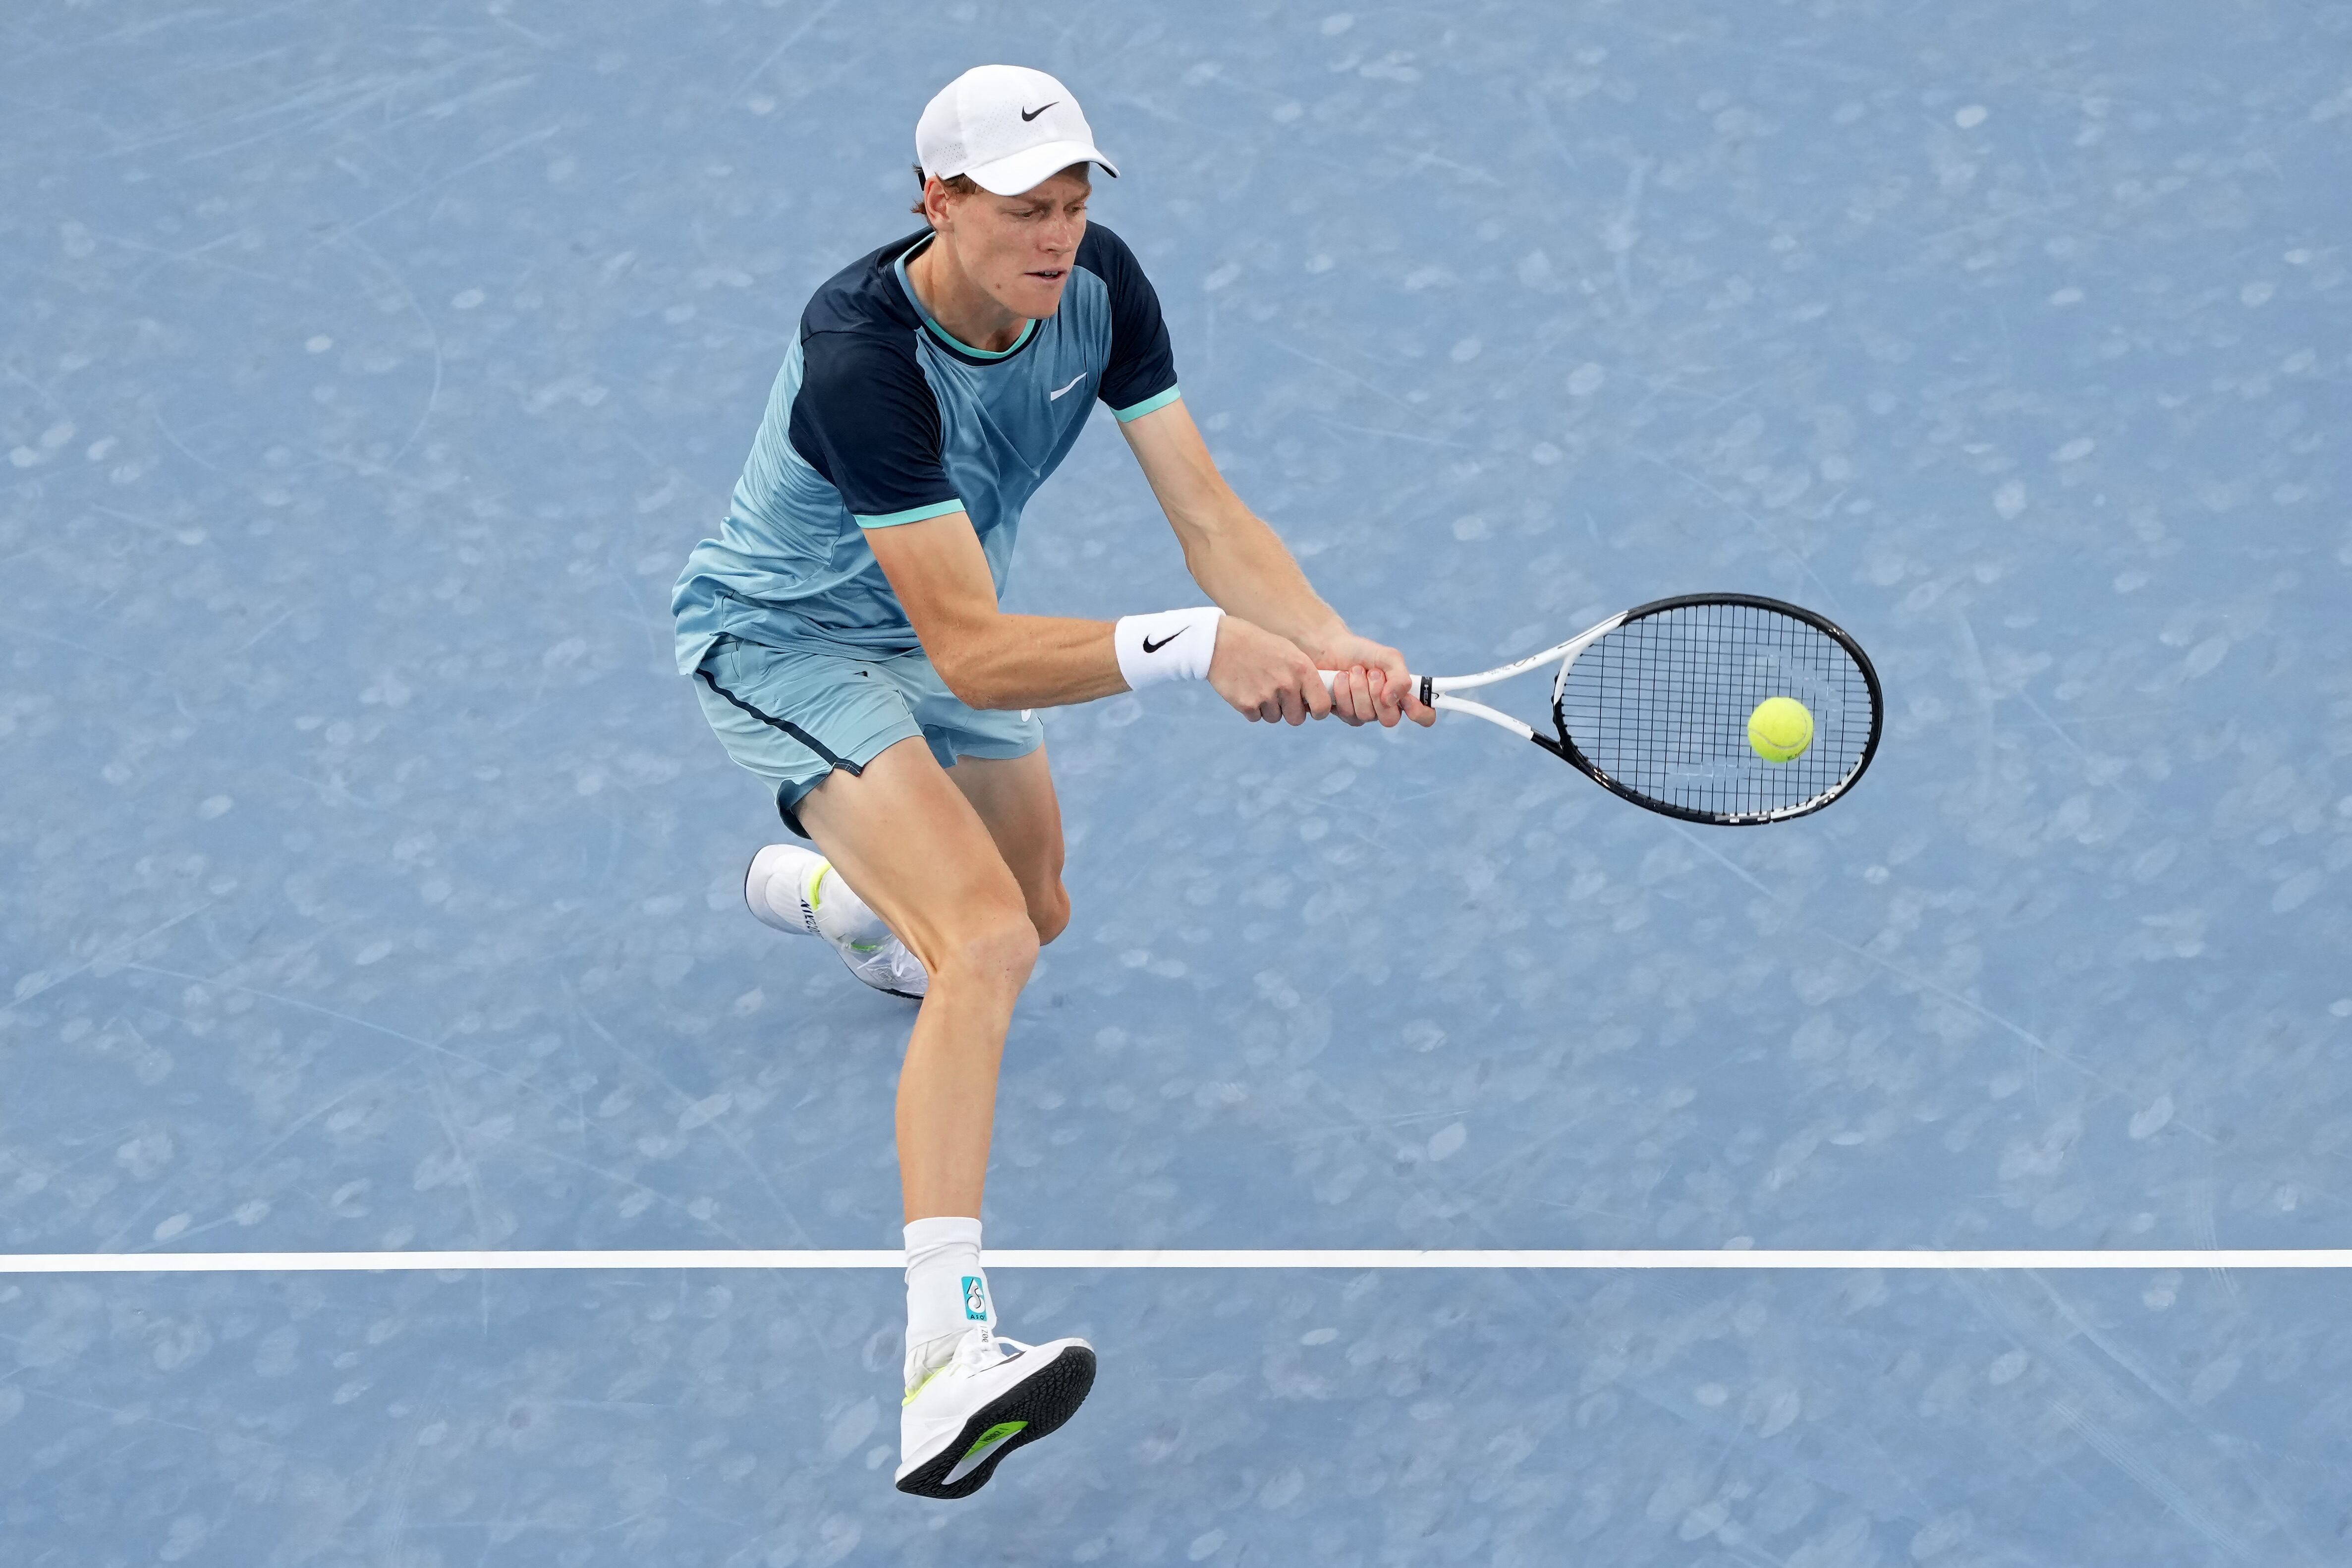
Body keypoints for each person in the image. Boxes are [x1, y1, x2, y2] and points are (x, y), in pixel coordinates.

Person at [672, 62, 1432, 1499]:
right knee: (988, 943)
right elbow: (971, 647)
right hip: (792, 646)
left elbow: (1203, 509)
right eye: (1023, 208)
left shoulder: (1098, 287)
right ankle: (940, 1358)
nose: (1055, 236)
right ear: (936, 201)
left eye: (1074, 203)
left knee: (1038, 904)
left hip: (947, 638)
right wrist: (1199, 645)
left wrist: (1329, 641)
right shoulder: (861, 355)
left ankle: (846, 893)